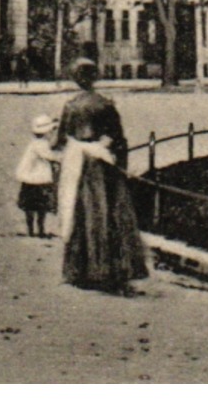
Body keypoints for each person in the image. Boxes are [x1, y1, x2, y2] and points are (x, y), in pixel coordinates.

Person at [53, 57, 149, 292]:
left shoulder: (71, 105)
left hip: (80, 165)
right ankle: (112, 268)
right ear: (95, 77)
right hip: (102, 164)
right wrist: (121, 166)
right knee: (110, 213)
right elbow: (119, 139)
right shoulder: (106, 104)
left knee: (81, 213)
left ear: (76, 79)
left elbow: (61, 139)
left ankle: (81, 270)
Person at [15, 114, 61, 237]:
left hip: (30, 180)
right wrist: (62, 157)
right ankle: (40, 230)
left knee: (29, 208)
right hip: (39, 181)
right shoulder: (41, 144)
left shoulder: (34, 143)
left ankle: (31, 229)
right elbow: (49, 156)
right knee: (41, 208)